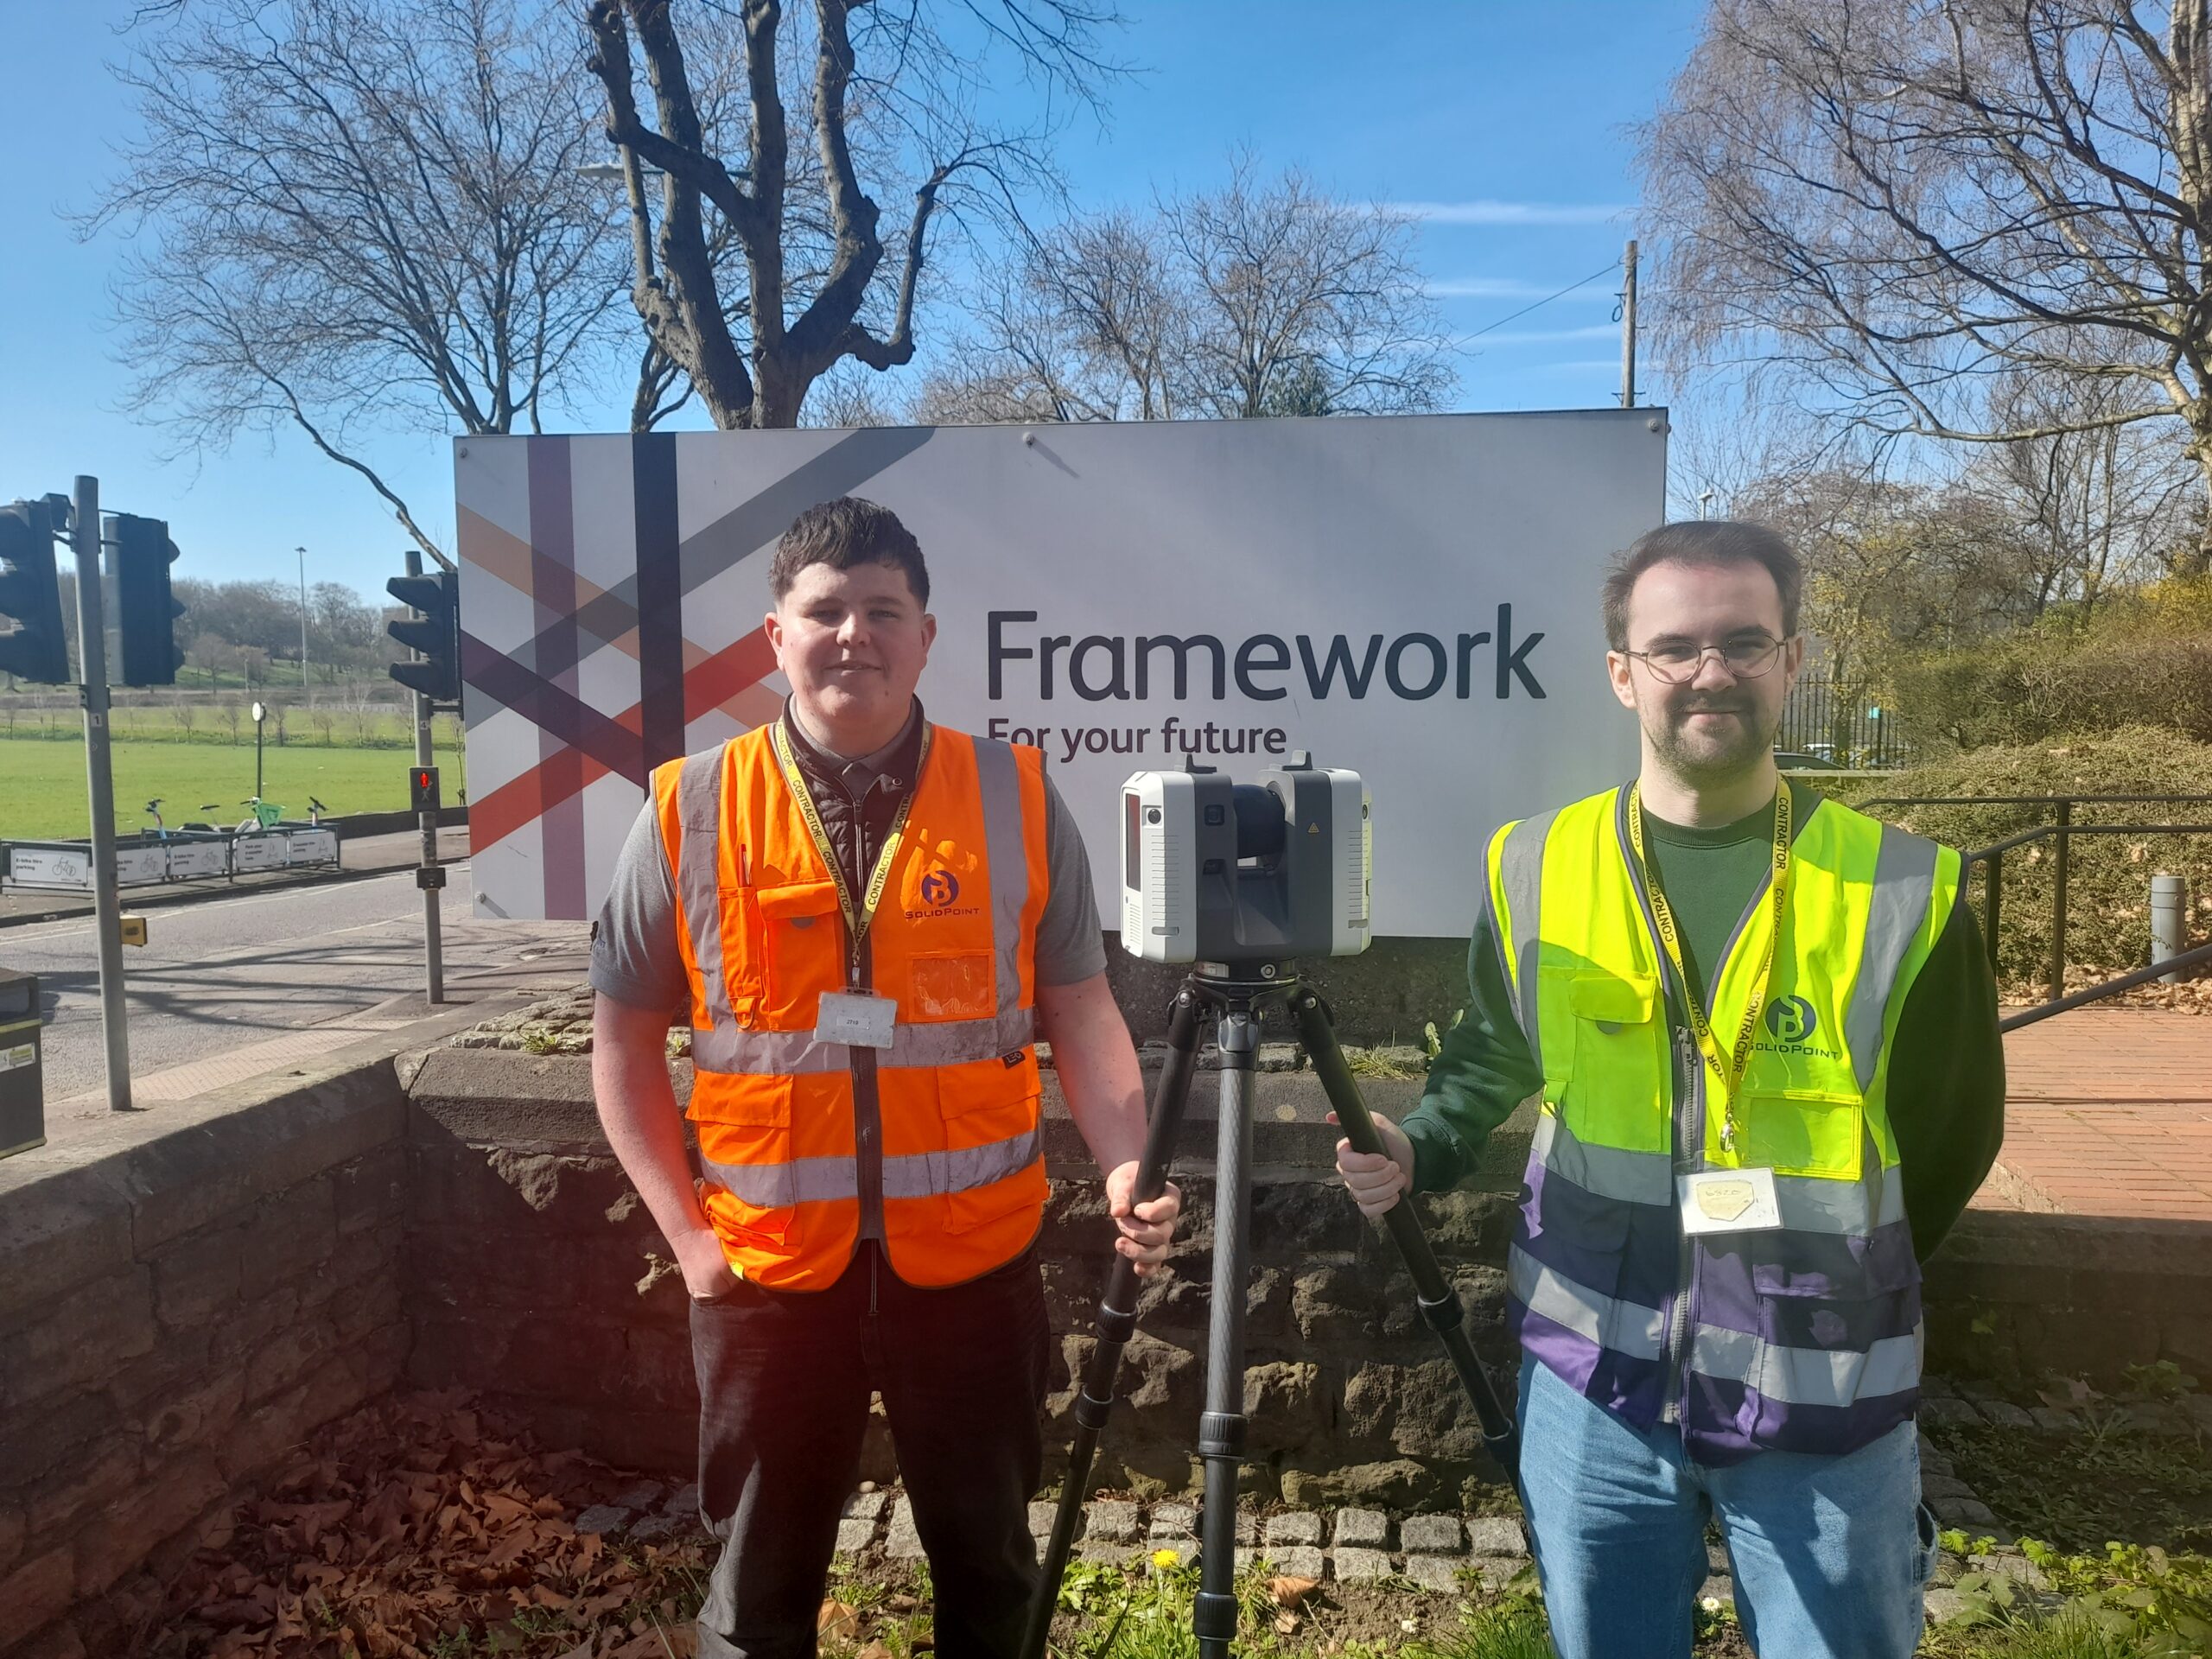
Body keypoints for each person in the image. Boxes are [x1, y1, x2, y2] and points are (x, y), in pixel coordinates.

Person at [1334, 521, 2005, 1659]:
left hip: (1825, 1396)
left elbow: (1952, 1136)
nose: (1710, 672)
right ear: (1622, 672)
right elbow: (1496, 1050)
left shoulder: (1908, 889)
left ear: (1794, 661)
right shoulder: (1534, 864)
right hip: (1597, 1382)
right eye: (1675, 648)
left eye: (1745, 642)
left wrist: (1850, 1276)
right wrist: (1424, 1144)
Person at [589, 497, 1181, 1659]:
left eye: (882, 610)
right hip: (765, 1282)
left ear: (925, 636)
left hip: (970, 1268)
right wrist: (691, 1244)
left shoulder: (1011, 794)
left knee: (988, 1574)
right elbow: (621, 1044)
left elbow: (1080, 1005)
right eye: (825, 611)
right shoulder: (687, 807)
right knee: (758, 1597)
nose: (853, 633)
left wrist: (1125, 1165)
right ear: (775, 636)